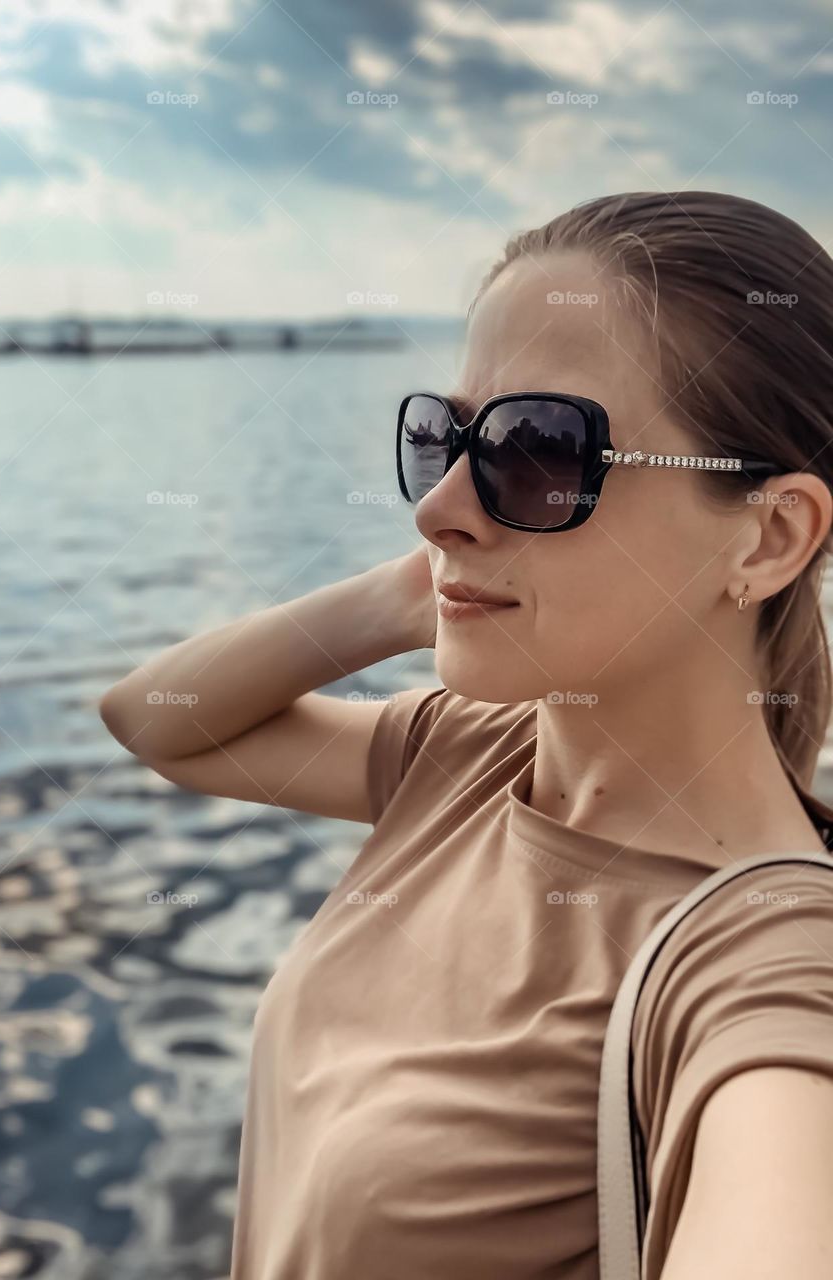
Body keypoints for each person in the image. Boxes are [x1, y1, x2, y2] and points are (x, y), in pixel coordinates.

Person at [100, 190, 833, 1280]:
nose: (438, 500)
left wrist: (477, 563)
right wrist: (428, 584)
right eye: (444, 436)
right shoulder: (465, 758)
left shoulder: (762, 970)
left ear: (770, 538)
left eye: (537, 448)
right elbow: (159, 719)